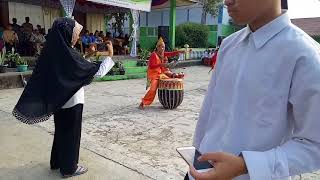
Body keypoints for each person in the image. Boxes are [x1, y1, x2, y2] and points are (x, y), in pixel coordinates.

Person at [186, 0, 320, 180]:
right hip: (200, 171)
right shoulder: (229, 45)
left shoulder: (304, 55)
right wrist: (196, 157)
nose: (227, 2)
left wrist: (246, 165)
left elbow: (314, 145)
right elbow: (209, 113)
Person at [12, 17, 115, 178]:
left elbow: (75, 67)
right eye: (74, 33)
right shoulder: (69, 53)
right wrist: (110, 55)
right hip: (73, 102)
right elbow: (96, 72)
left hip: (59, 100)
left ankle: (57, 163)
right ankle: (69, 168)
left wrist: (87, 56)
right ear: (66, 33)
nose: (76, 37)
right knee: (72, 135)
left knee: (61, 132)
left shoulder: (54, 51)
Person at [139, 37, 184, 109]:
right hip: (153, 75)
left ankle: (169, 100)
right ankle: (143, 102)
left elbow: (170, 54)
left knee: (171, 80)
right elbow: (151, 66)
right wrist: (161, 65)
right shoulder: (154, 55)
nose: (163, 49)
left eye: (164, 47)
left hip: (160, 74)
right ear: (157, 47)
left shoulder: (162, 54)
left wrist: (179, 52)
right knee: (152, 89)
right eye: (161, 47)